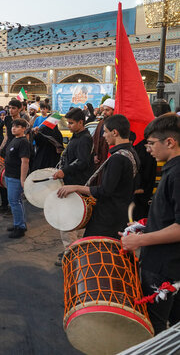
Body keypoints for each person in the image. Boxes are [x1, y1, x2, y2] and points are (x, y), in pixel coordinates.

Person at [121, 113, 180, 335]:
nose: (148, 149)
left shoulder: (177, 173)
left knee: (153, 327)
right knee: (175, 325)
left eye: (152, 143)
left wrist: (140, 240)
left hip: (164, 267)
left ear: (170, 142)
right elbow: (170, 218)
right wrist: (142, 228)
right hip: (167, 263)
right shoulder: (172, 169)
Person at [57, 115, 139, 238]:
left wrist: (75, 187)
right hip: (121, 212)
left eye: (105, 132)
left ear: (115, 132)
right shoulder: (131, 153)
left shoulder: (118, 158)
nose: (103, 136)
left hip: (108, 218)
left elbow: (104, 191)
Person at [52, 107, 93, 265]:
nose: (68, 125)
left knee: (68, 221)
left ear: (81, 122)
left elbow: (82, 162)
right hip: (72, 182)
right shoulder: (78, 137)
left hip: (76, 184)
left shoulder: (84, 139)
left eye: (71, 123)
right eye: (67, 123)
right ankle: (73, 250)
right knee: (74, 221)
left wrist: (65, 170)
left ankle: (71, 254)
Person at [0, 100, 23, 215]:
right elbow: (6, 136)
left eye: (14, 108)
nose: (11, 110)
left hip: (17, 154)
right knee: (1, 178)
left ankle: (13, 206)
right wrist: (0, 150)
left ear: (20, 109)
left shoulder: (23, 122)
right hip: (7, 151)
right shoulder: (7, 119)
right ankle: (4, 204)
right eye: (10, 108)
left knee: (13, 182)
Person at [4, 119, 31, 238]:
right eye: (13, 126)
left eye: (18, 126)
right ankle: (19, 224)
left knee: (14, 202)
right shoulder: (15, 139)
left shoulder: (24, 142)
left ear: (24, 128)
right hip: (9, 176)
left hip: (16, 177)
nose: (14, 128)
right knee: (16, 202)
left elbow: (25, 162)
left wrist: (23, 179)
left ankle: (19, 227)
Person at [30, 102, 63, 171]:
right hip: (53, 162)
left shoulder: (43, 131)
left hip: (42, 160)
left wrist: (36, 134)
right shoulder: (58, 134)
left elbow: (37, 141)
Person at [92, 99, 115, 173]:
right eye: (103, 110)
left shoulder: (116, 125)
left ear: (113, 111)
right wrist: (95, 154)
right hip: (99, 158)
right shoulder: (101, 123)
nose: (104, 112)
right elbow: (95, 139)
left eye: (107, 110)